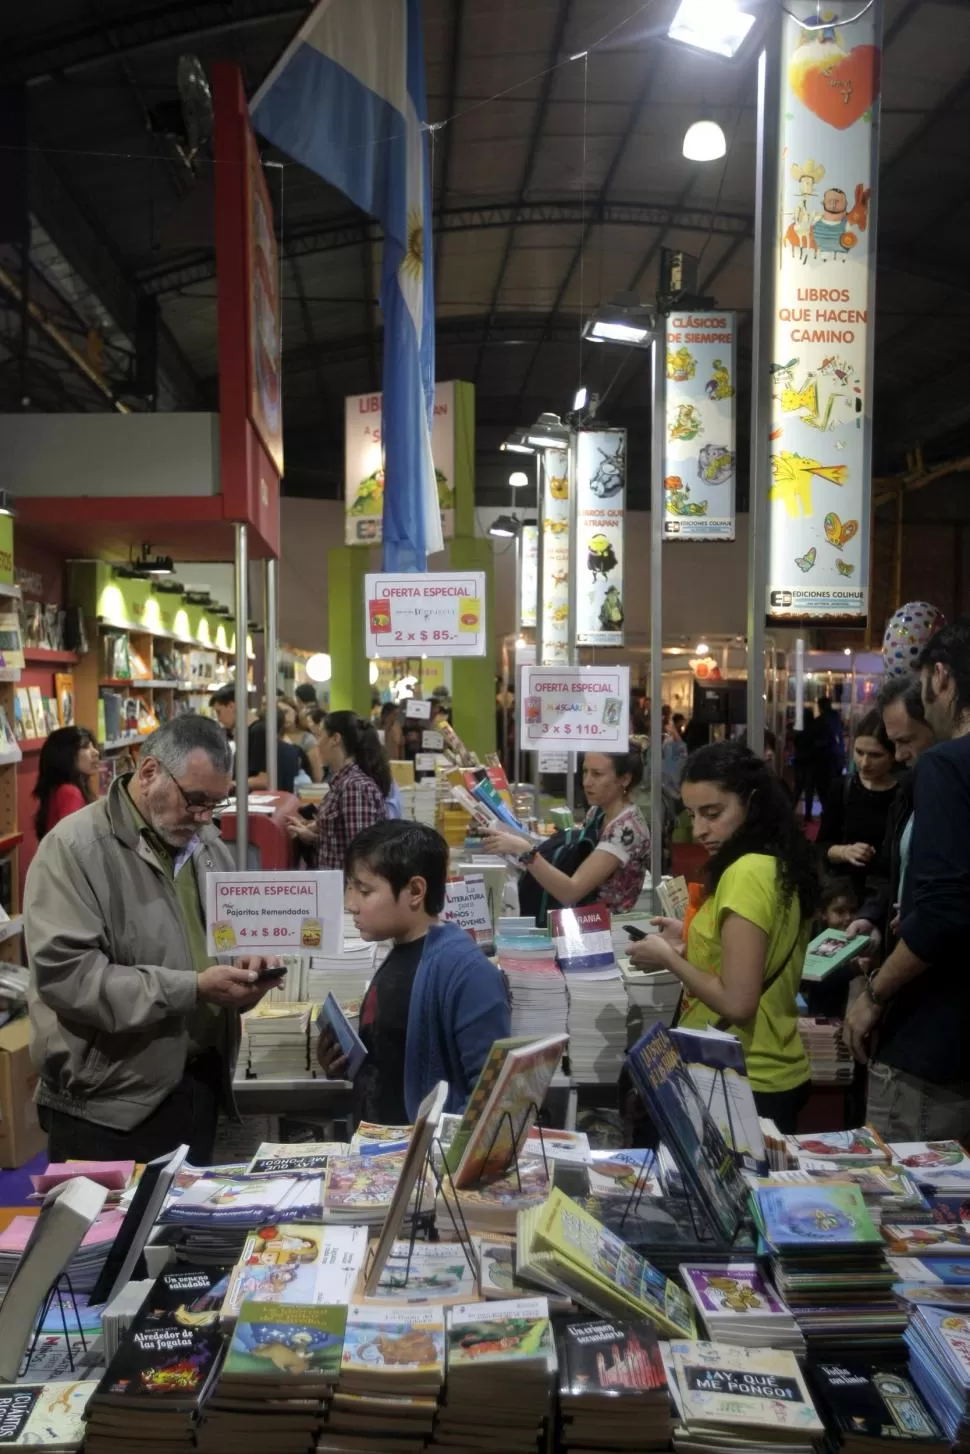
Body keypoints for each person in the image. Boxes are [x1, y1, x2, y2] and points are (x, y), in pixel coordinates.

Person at [24, 715, 281, 1163]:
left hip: (197, 1087)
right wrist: (194, 987)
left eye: (215, 804)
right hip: (107, 1108)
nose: (203, 817)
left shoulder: (207, 847)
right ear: (148, 773)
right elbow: (71, 980)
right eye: (196, 800)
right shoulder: (74, 850)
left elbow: (224, 941)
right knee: (115, 1235)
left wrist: (249, 969)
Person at [628, 740, 816, 1131]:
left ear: (751, 802)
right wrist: (694, 936)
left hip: (741, 1075)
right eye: (692, 815)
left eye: (713, 813)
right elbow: (758, 946)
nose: (699, 829)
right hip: (763, 1068)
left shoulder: (745, 872)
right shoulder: (772, 862)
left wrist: (669, 959)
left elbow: (737, 1002)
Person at [844, 622, 970, 1141]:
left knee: (911, 1208)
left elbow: (947, 912)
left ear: (941, 677)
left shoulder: (946, 765)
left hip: (933, 1036)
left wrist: (874, 994)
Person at [317, 821, 510, 1120]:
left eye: (364, 891)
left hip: (422, 1158)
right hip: (379, 1153)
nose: (350, 904)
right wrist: (347, 1064)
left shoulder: (468, 973)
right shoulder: (399, 951)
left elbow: (489, 1096)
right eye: (349, 886)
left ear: (415, 890)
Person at [481, 746, 650, 913]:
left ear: (625, 779)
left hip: (607, 930)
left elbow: (571, 891)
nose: (587, 782)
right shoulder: (597, 813)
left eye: (597, 774)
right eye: (585, 772)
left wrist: (525, 851)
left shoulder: (625, 830)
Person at [847, 674, 936, 964]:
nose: (899, 755)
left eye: (905, 741)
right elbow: (889, 869)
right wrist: (872, 916)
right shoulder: (909, 788)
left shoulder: (948, 787)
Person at [285, 711, 388, 870]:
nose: (317, 743)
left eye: (320, 735)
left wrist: (313, 839)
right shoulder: (343, 783)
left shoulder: (355, 787)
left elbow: (361, 855)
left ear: (335, 739)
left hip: (344, 889)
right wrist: (312, 834)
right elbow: (342, 842)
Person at [817, 709, 898, 899]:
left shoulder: (904, 792)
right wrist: (845, 851)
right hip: (845, 894)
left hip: (885, 896)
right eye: (859, 752)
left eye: (875, 755)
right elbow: (821, 846)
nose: (864, 763)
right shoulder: (843, 787)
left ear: (893, 755)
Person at [33, 726, 100, 839]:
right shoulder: (69, 792)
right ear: (66, 754)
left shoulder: (58, 789)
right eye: (85, 747)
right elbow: (74, 841)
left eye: (93, 746)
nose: (96, 752)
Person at [811, 695, 845, 810]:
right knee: (835, 788)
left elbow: (816, 742)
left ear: (820, 707)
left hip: (824, 761)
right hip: (838, 758)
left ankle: (827, 812)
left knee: (824, 789)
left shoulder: (819, 721)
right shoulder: (837, 719)